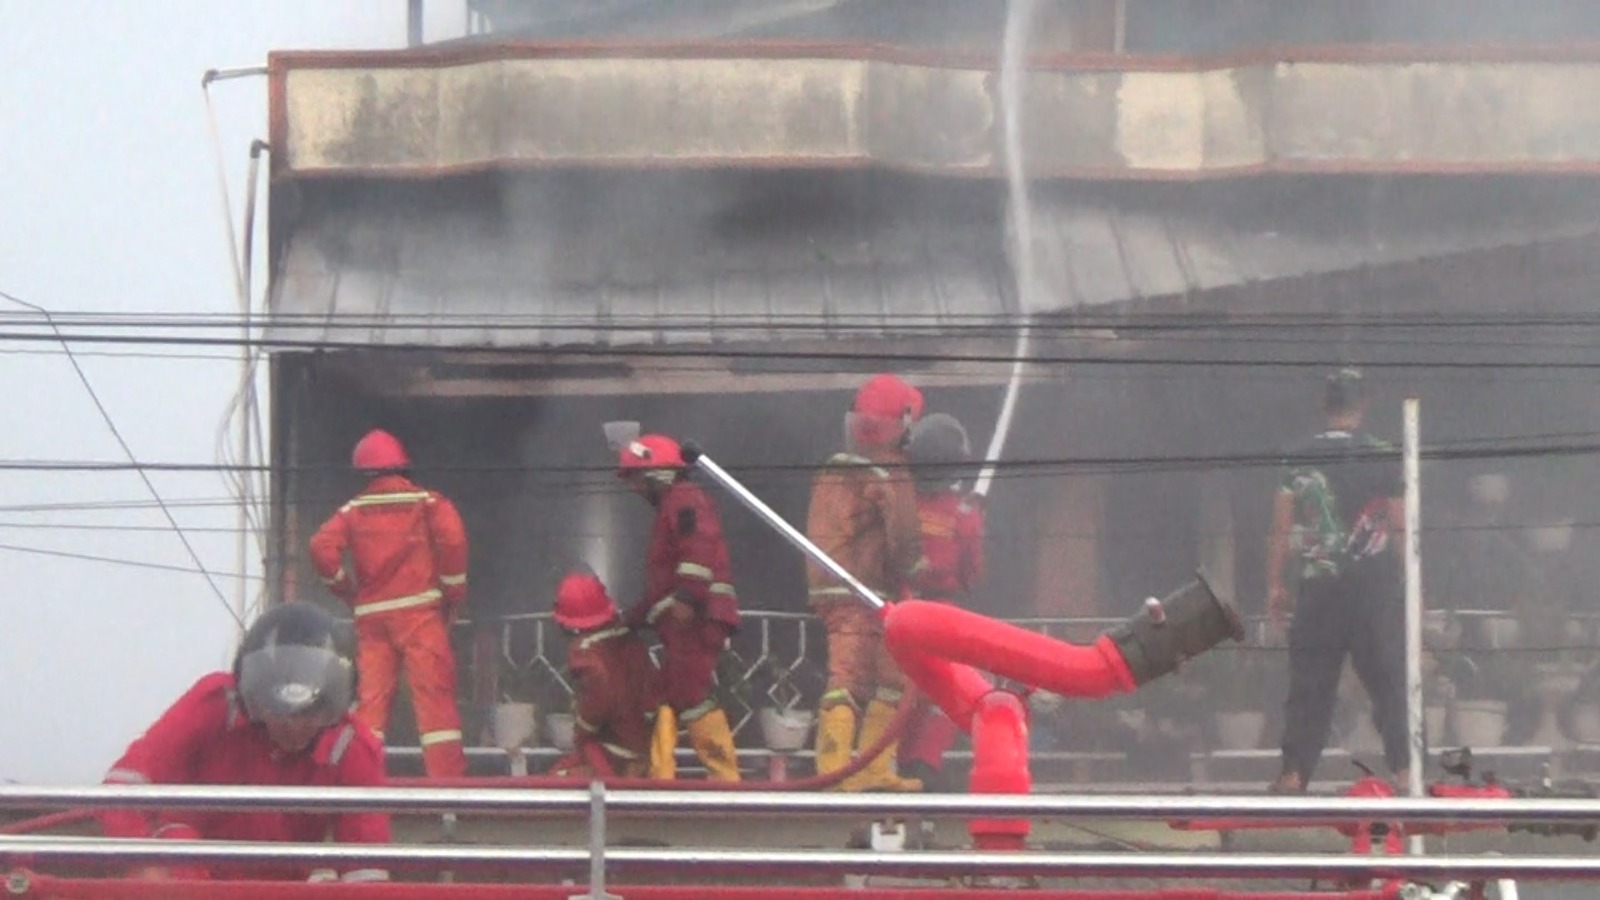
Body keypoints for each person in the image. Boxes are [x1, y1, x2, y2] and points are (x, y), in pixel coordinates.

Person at [101, 602, 390, 882]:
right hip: (188, 878)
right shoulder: (212, 706)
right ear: (252, 697)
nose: (293, 725)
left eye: (308, 713)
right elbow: (126, 782)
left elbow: (366, 869)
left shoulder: (351, 746)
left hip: (280, 886)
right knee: (175, 852)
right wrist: (143, 862)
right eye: (280, 713)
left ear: (333, 703)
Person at [1266, 368, 1410, 793]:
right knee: (1388, 681)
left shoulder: (1296, 456)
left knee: (1310, 683)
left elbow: (1281, 529)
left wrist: (1276, 585)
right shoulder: (1385, 454)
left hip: (1321, 587)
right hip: (1374, 591)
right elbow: (1401, 529)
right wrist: (1413, 589)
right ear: (1362, 405)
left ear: (1324, 406)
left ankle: (1293, 776)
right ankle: (1405, 772)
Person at [308, 428, 470, 778]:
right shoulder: (426, 503)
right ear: (402, 465)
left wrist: (347, 591)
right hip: (420, 615)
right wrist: (452, 592)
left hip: (372, 619)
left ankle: (362, 781)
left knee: (371, 707)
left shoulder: (351, 511)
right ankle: (449, 792)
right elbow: (453, 540)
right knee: (435, 706)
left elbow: (321, 548)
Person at [807, 373, 926, 792]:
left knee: (884, 677)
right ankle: (840, 772)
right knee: (860, 678)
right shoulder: (890, 469)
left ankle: (862, 771)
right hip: (869, 590)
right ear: (905, 423)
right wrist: (914, 572)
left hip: (835, 587)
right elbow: (904, 535)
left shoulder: (835, 467)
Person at [617, 433, 742, 781]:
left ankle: (726, 781)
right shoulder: (679, 502)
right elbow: (667, 579)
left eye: (639, 480)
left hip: (697, 619)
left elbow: (696, 550)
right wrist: (638, 615)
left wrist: (687, 599)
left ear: (658, 474)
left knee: (691, 694)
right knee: (666, 693)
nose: (638, 491)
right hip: (688, 618)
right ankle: (659, 775)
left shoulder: (684, 500)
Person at [898, 412, 985, 789]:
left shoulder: (898, 503)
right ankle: (924, 763)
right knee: (951, 692)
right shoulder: (962, 514)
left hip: (898, 612)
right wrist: (976, 521)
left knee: (898, 692)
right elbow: (971, 575)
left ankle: (894, 766)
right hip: (941, 617)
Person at [549, 571, 661, 778]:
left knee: (559, 779)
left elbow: (600, 693)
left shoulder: (586, 651)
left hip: (611, 751)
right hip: (644, 746)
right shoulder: (628, 638)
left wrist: (583, 729)